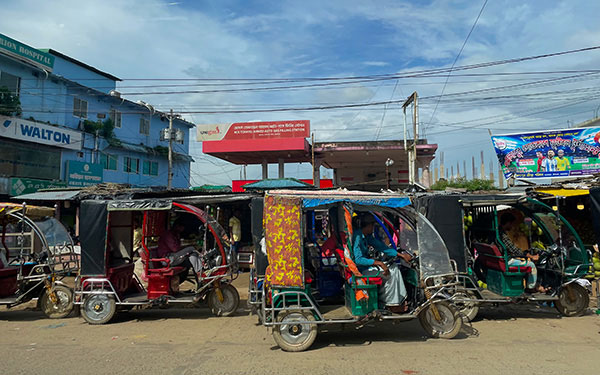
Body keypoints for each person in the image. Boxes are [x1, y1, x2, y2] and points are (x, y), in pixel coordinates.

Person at [353, 214, 412, 313]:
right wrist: (378, 263)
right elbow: (358, 259)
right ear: (367, 226)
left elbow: (382, 247)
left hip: (366, 267)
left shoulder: (367, 236)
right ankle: (390, 304)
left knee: (395, 269)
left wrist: (401, 255)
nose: (373, 229)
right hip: (360, 270)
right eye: (372, 226)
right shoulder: (357, 236)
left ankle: (399, 301)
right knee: (390, 273)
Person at [499, 213, 547, 293]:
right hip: (507, 261)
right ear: (508, 223)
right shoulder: (502, 235)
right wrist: (530, 256)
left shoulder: (499, 232)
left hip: (503, 259)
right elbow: (514, 250)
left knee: (523, 261)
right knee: (531, 265)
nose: (512, 226)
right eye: (511, 224)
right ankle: (531, 288)